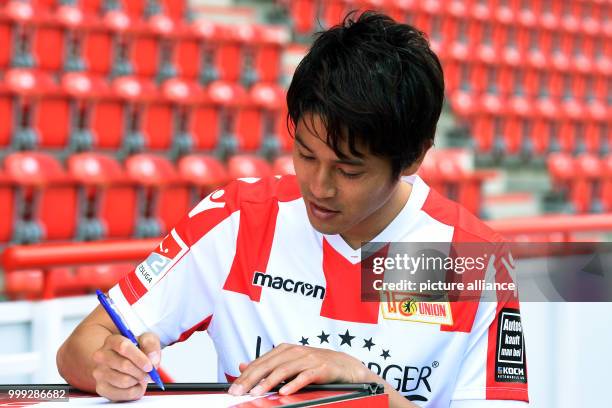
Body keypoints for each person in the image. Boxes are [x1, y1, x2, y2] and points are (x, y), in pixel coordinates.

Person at [57, 11, 529, 407]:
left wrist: (366, 389)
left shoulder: (474, 260)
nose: (318, 187)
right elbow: (78, 348)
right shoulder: (237, 218)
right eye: (305, 155)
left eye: (348, 170)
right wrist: (108, 368)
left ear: (413, 157)